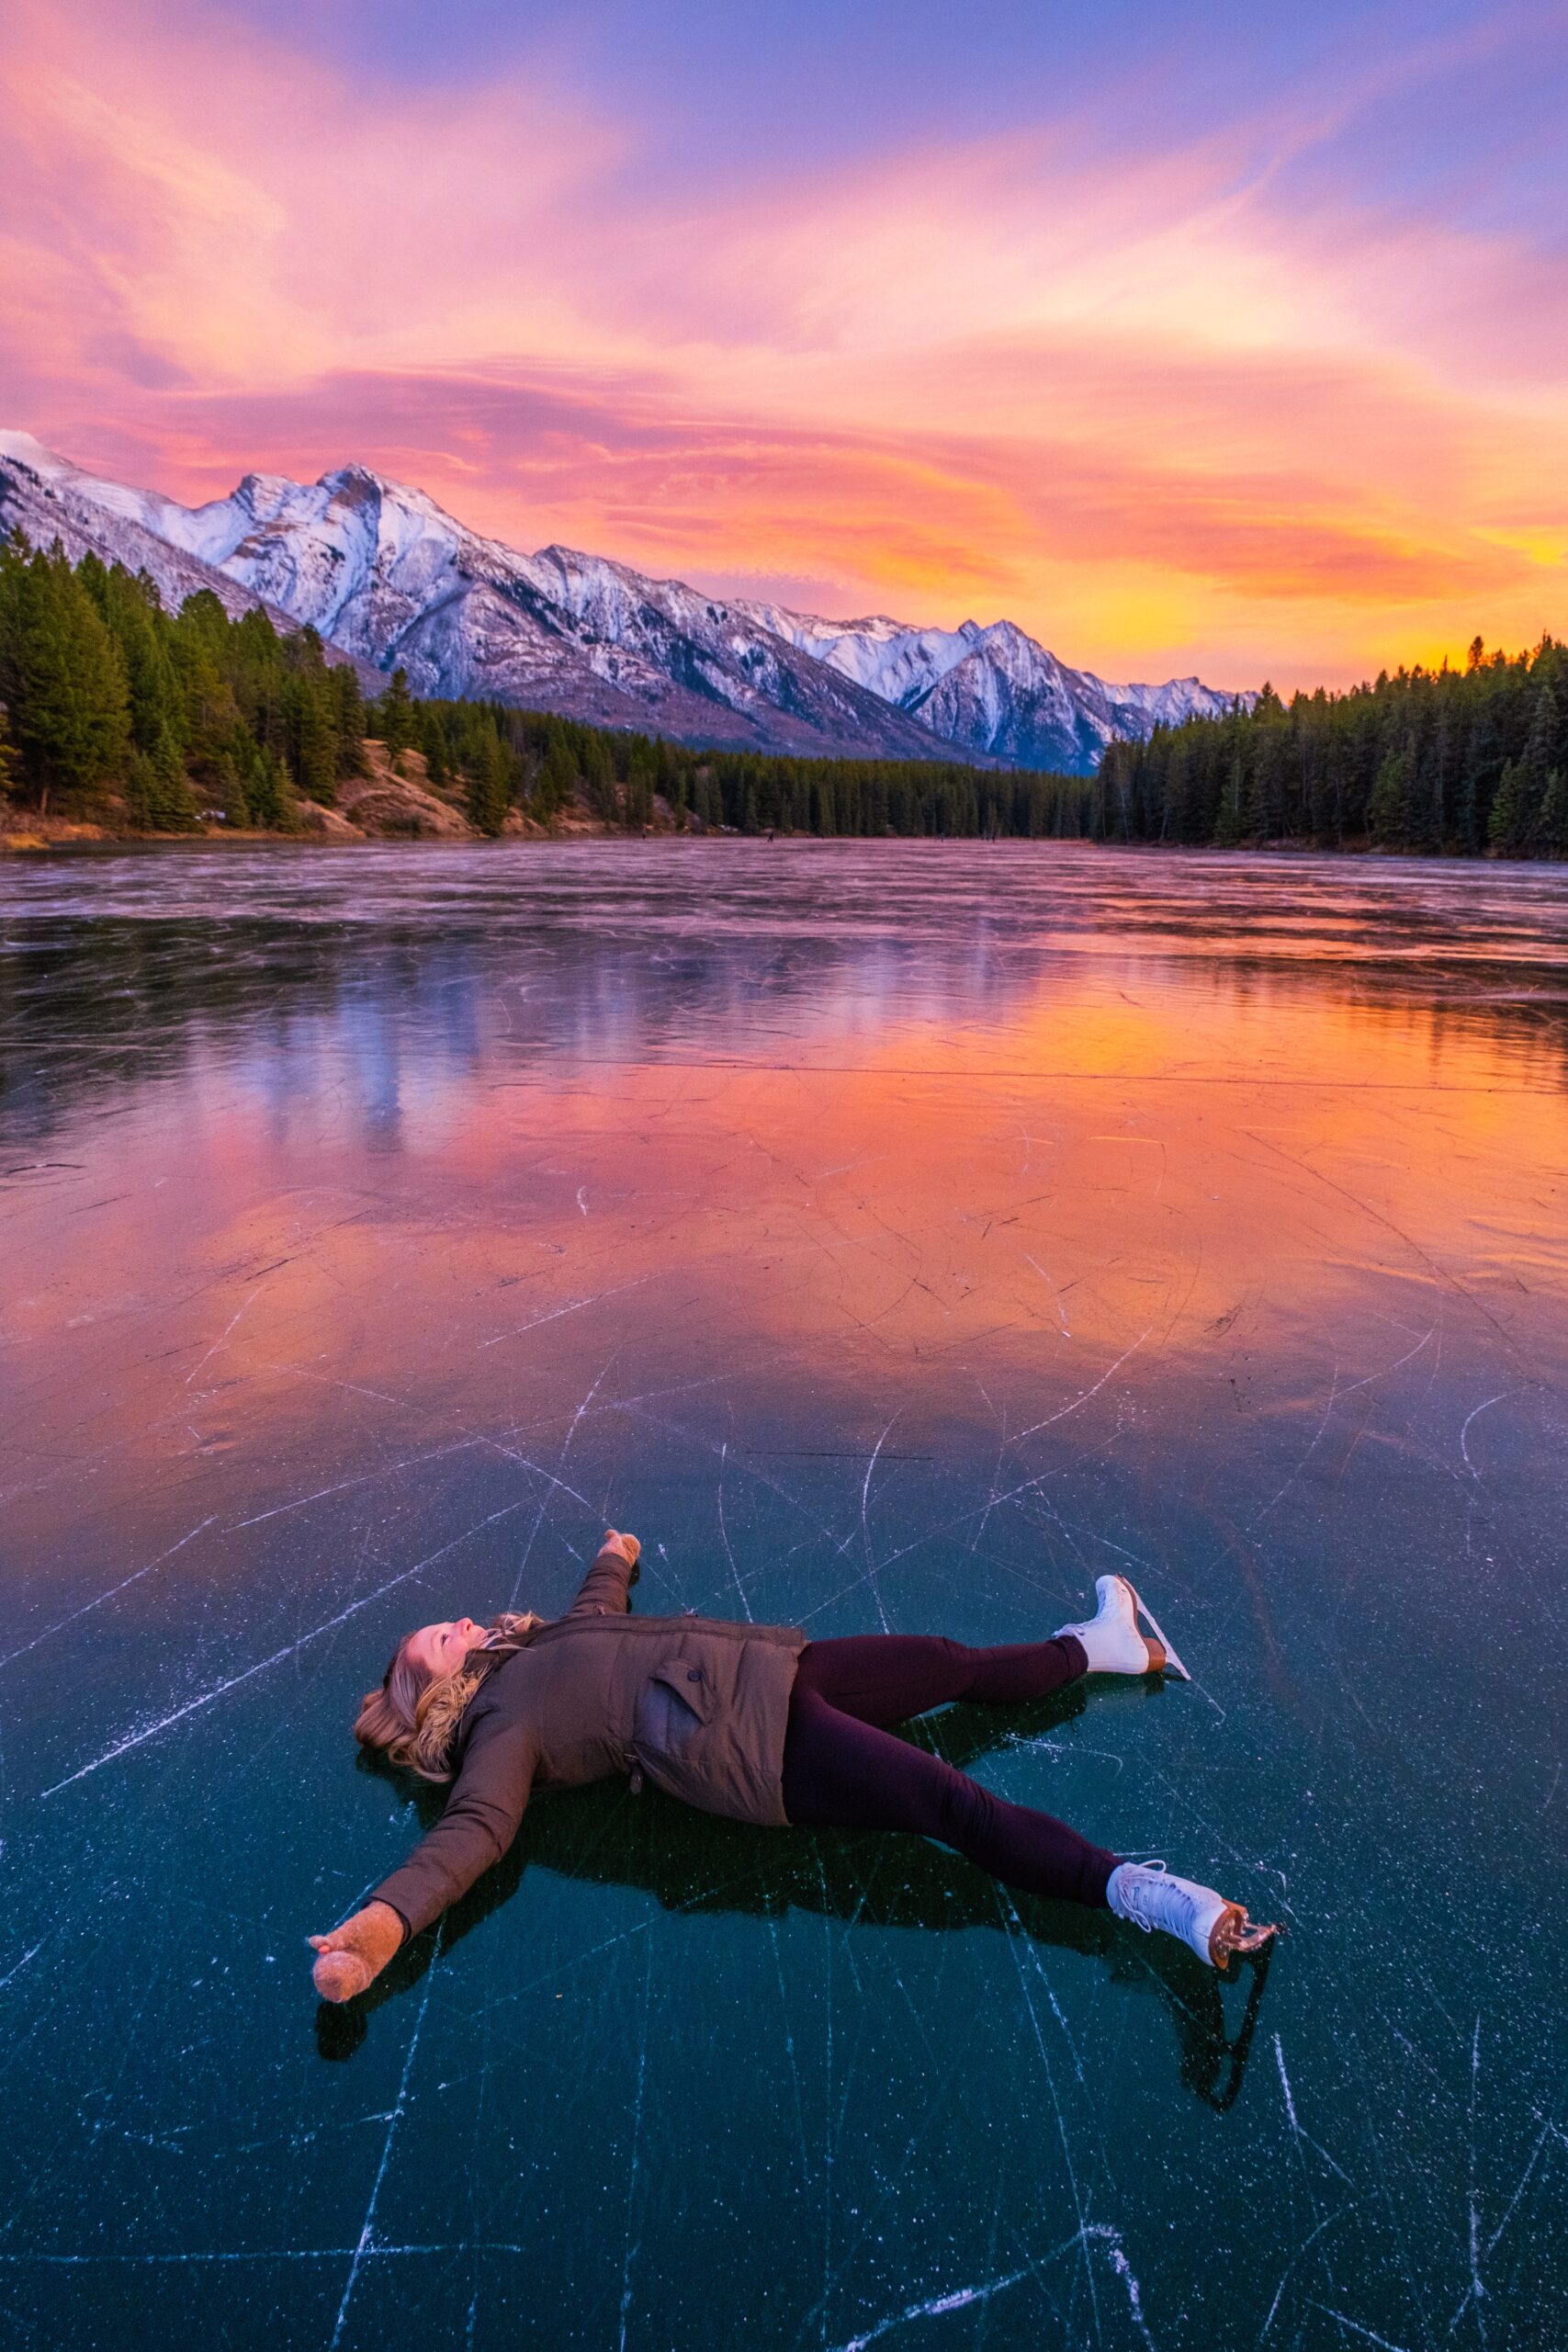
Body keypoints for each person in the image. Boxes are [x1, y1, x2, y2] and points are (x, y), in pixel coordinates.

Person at [310, 1532, 1277, 2002]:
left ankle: (1102, 1645)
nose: (461, 1622)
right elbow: (475, 1830)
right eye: (440, 1634)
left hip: (774, 1670)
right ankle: (1156, 1898)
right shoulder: (502, 1731)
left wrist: (611, 1554)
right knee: (953, 1804)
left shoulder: (533, 1649)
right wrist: (384, 1922)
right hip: (754, 1749)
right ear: (423, 1685)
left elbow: (596, 1615)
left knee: (945, 1661)